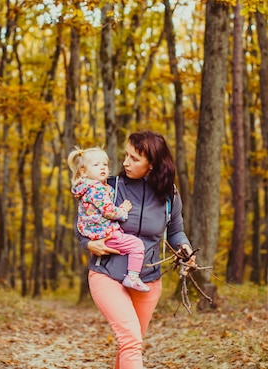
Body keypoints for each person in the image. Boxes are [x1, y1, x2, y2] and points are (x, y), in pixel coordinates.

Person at [74, 131, 195, 369]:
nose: (125, 162)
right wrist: (88, 244)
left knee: (131, 344)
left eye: (134, 158)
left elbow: (176, 231)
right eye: (125, 155)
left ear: (153, 164)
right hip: (107, 274)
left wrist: (186, 249)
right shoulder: (109, 187)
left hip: (148, 281)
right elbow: (81, 225)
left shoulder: (169, 194)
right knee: (130, 340)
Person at [68, 147, 150, 292]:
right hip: (106, 233)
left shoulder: (87, 188)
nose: (102, 168)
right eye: (96, 165)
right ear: (83, 171)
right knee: (137, 245)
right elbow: (108, 211)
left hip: (95, 232)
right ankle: (132, 277)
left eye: (104, 164)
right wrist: (123, 211)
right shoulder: (97, 189)